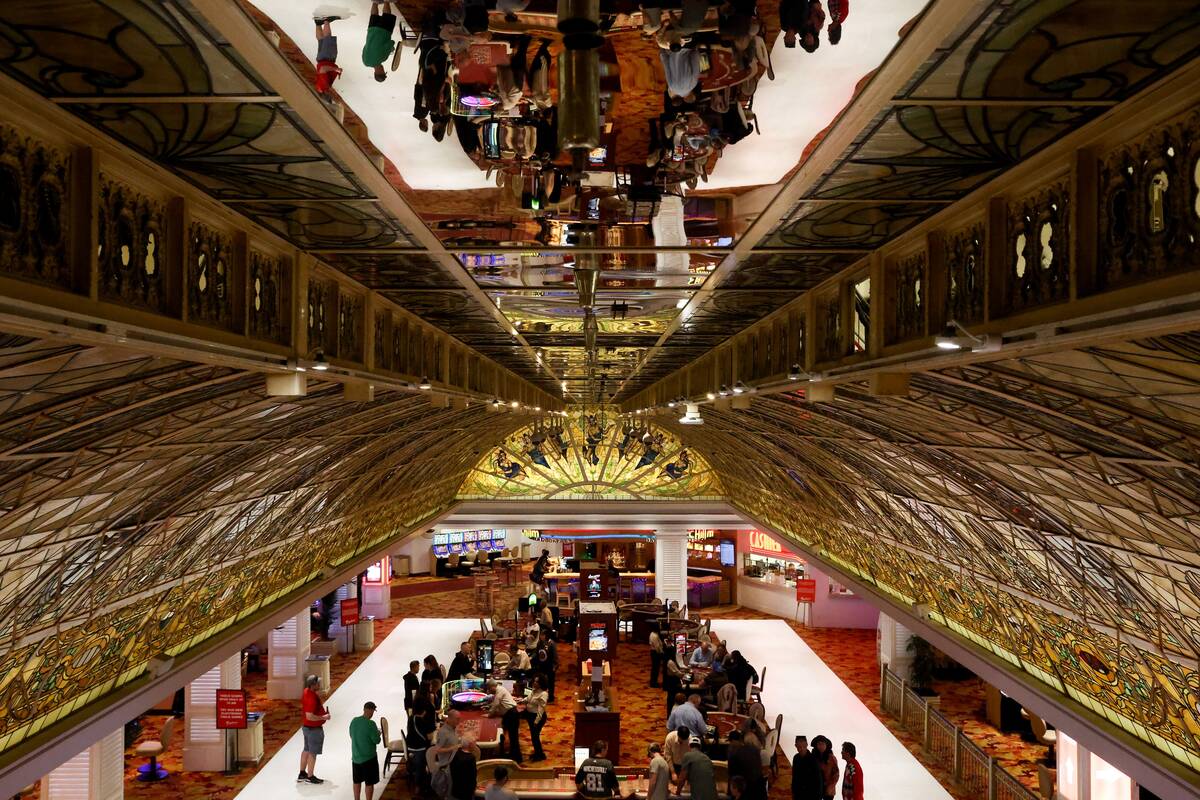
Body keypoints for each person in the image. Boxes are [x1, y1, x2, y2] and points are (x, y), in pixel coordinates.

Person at [300, 674, 331, 784]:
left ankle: (302, 773)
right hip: (314, 729)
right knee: (312, 753)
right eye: (318, 683)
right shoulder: (312, 698)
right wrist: (324, 717)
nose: (319, 684)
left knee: (306, 749)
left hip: (306, 728)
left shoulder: (306, 691)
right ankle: (310, 776)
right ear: (313, 685)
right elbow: (310, 715)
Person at [350, 701, 382, 800]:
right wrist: (378, 733)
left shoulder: (354, 721)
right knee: (369, 783)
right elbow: (376, 740)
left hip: (356, 758)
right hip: (369, 758)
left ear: (364, 709)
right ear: (371, 710)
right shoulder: (371, 724)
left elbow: (351, 735)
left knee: (357, 781)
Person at [486, 678, 522, 762]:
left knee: (513, 737)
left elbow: (495, 704)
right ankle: (505, 752)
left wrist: (489, 715)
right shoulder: (499, 690)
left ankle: (517, 758)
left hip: (512, 714)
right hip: (508, 714)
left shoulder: (500, 690)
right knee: (504, 733)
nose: (488, 691)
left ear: (492, 686)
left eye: (489, 689)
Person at [361, 2, 396, 81]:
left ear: (381, 72)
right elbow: (365, 47)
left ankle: (386, 1)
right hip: (371, 32)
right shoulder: (365, 62)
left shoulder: (383, 58)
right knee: (374, 15)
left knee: (387, 15)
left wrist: (391, 48)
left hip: (384, 32)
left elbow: (390, 43)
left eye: (383, 72)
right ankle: (375, 2)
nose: (384, 70)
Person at [727, 731, 767, 800]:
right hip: (760, 791)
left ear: (732, 741)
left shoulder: (734, 754)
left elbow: (733, 778)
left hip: (746, 792)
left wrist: (731, 794)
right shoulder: (754, 750)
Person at [676, 735, 717, 800]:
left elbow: (682, 778)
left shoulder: (687, 756)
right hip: (713, 795)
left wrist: (677, 792)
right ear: (700, 747)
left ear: (689, 746)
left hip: (700, 796)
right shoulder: (707, 758)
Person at [312, 13, 343, 97]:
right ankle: (318, 23)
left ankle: (326, 21)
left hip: (327, 59)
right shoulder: (319, 87)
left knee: (327, 38)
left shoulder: (323, 87)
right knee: (321, 40)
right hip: (321, 59)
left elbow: (323, 69)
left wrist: (336, 69)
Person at [521, 674, 549, 761]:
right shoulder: (534, 690)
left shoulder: (543, 694)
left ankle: (540, 755)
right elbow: (528, 699)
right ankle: (538, 753)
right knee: (533, 736)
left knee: (535, 737)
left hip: (537, 718)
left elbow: (541, 710)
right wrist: (519, 701)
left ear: (541, 683)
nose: (534, 683)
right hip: (530, 716)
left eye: (537, 681)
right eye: (534, 681)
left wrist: (536, 722)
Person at [791, 735, 824, 800]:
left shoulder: (813, 759)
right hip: (798, 794)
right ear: (795, 746)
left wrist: (818, 797)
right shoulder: (796, 758)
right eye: (799, 747)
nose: (802, 749)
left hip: (811, 794)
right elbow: (794, 776)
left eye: (803, 746)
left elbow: (818, 780)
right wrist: (793, 792)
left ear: (807, 744)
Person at [811, 735, 839, 800]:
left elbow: (836, 774)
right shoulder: (812, 757)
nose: (821, 746)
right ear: (816, 745)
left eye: (823, 744)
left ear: (826, 745)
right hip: (816, 788)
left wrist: (831, 786)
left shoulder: (832, 758)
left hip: (828, 789)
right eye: (819, 744)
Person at [663, 645, 684, 713]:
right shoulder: (670, 662)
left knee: (671, 699)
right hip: (672, 682)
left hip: (671, 681)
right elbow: (678, 674)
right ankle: (671, 714)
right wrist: (687, 675)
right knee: (672, 699)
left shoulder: (668, 660)